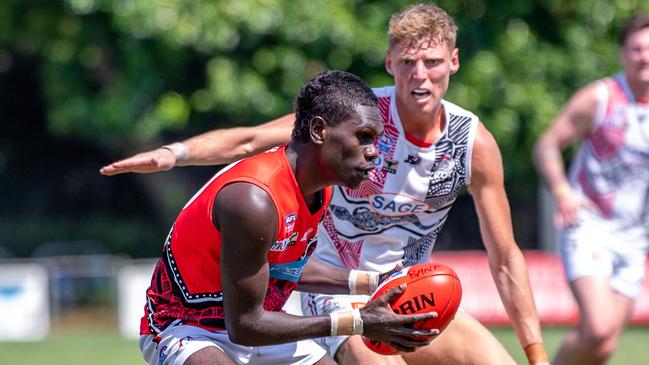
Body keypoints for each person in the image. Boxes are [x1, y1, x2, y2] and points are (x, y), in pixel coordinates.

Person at [102, 4, 550, 365]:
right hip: (228, 318)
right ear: (389, 62)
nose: (419, 75)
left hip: (385, 284)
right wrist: (175, 153)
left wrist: (537, 354)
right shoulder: (346, 118)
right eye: (408, 62)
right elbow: (251, 138)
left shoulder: (466, 141)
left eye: (432, 62)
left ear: (453, 61)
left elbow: (506, 258)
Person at [136, 70, 439, 365]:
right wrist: (356, 322)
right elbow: (245, 325)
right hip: (190, 328)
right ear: (319, 131)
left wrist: (373, 282)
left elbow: (282, 264)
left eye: (375, 139)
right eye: (363, 137)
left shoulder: (319, 188)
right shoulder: (254, 199)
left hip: (256, 328)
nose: (373, 152)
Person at [533, 15, 649, 365]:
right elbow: (547, 145)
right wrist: (562, 190)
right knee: (598, 328)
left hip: (634, 238)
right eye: (637, 48)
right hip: (590, 226)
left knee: (604, 344)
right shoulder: (600, 98)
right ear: (622, 53)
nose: (645, 56)